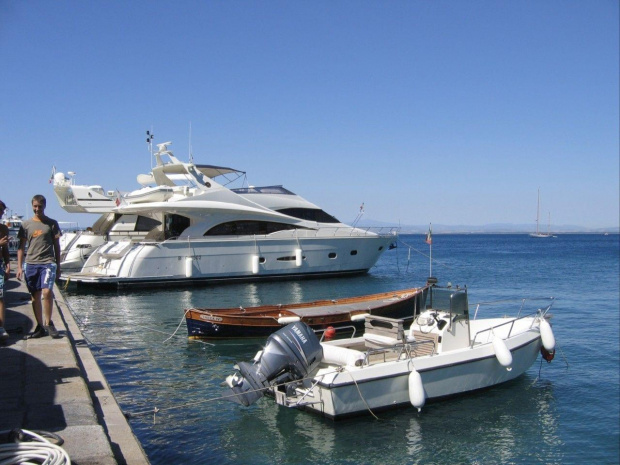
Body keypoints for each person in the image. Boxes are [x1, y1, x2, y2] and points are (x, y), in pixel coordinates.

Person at [17, 195, 62, 338]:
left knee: (47, 292)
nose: (37, 209)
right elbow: (21, 247)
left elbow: (57, 246)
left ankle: (49, 323)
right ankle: (40, 326)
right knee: (35, 296)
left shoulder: (52, 224)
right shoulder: (25, 225)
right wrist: (19, 267)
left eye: (40, 206)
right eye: (35, 206)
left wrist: (59, 265)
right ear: (32, 206)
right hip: (31, 263)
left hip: (48, 262)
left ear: (44, 206)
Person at [0, 200, 11, 343]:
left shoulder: (3, 229)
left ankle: (1, 327)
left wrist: (8, 264)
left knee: (0, 297)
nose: (2, 213)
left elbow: (5, 250)